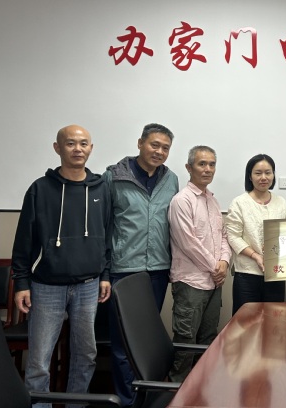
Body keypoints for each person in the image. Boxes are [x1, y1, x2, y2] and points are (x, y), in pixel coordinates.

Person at [11, 125, 112, 406]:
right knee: (39, 360)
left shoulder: (102, 189)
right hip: (46, 287)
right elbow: (24, 239)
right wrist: (21, 282)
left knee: (86, 356)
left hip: (89, 286)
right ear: (57, 148)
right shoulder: (40, 189)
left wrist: (104, 274)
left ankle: (75, 405)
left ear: (91, 148)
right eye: (70, 143)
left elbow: (107, 236)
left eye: (83, 143)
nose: (78, 149)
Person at [103, 123, 179, 406]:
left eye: (165, 148)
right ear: (140, 143)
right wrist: (104, 271)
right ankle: (127, 401)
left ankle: (145, 398)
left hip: (158, 270)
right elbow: (103, 226)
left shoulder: (171, 179)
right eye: (154, 145)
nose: (159, 152)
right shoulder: (113, 177)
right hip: (123, 269)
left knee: (146, 340)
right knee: (123, 342)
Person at [168, 146, 231, 382]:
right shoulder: (181, 201)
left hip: (214, 283)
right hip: (191, 283)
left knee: (208, 339)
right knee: (186, 341)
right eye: (202, 164)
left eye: (212, 164)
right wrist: (216, 267)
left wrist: (224, 261)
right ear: (189, 167)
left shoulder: (212, 201)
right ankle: (177, 390)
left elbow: (223, 236)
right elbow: (188, 243)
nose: (207, 169)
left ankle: (202, 387)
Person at [225, 154, 286, 315]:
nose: (263, 177)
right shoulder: (239, 203)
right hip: (247, 274)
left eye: (268, 172)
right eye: (258, 173)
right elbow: (233, 236)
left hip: (275, 273)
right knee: (245, 322)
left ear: (273, 175)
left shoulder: (281, 203)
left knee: (274, 321)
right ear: (250, 176)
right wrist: (256, 256)